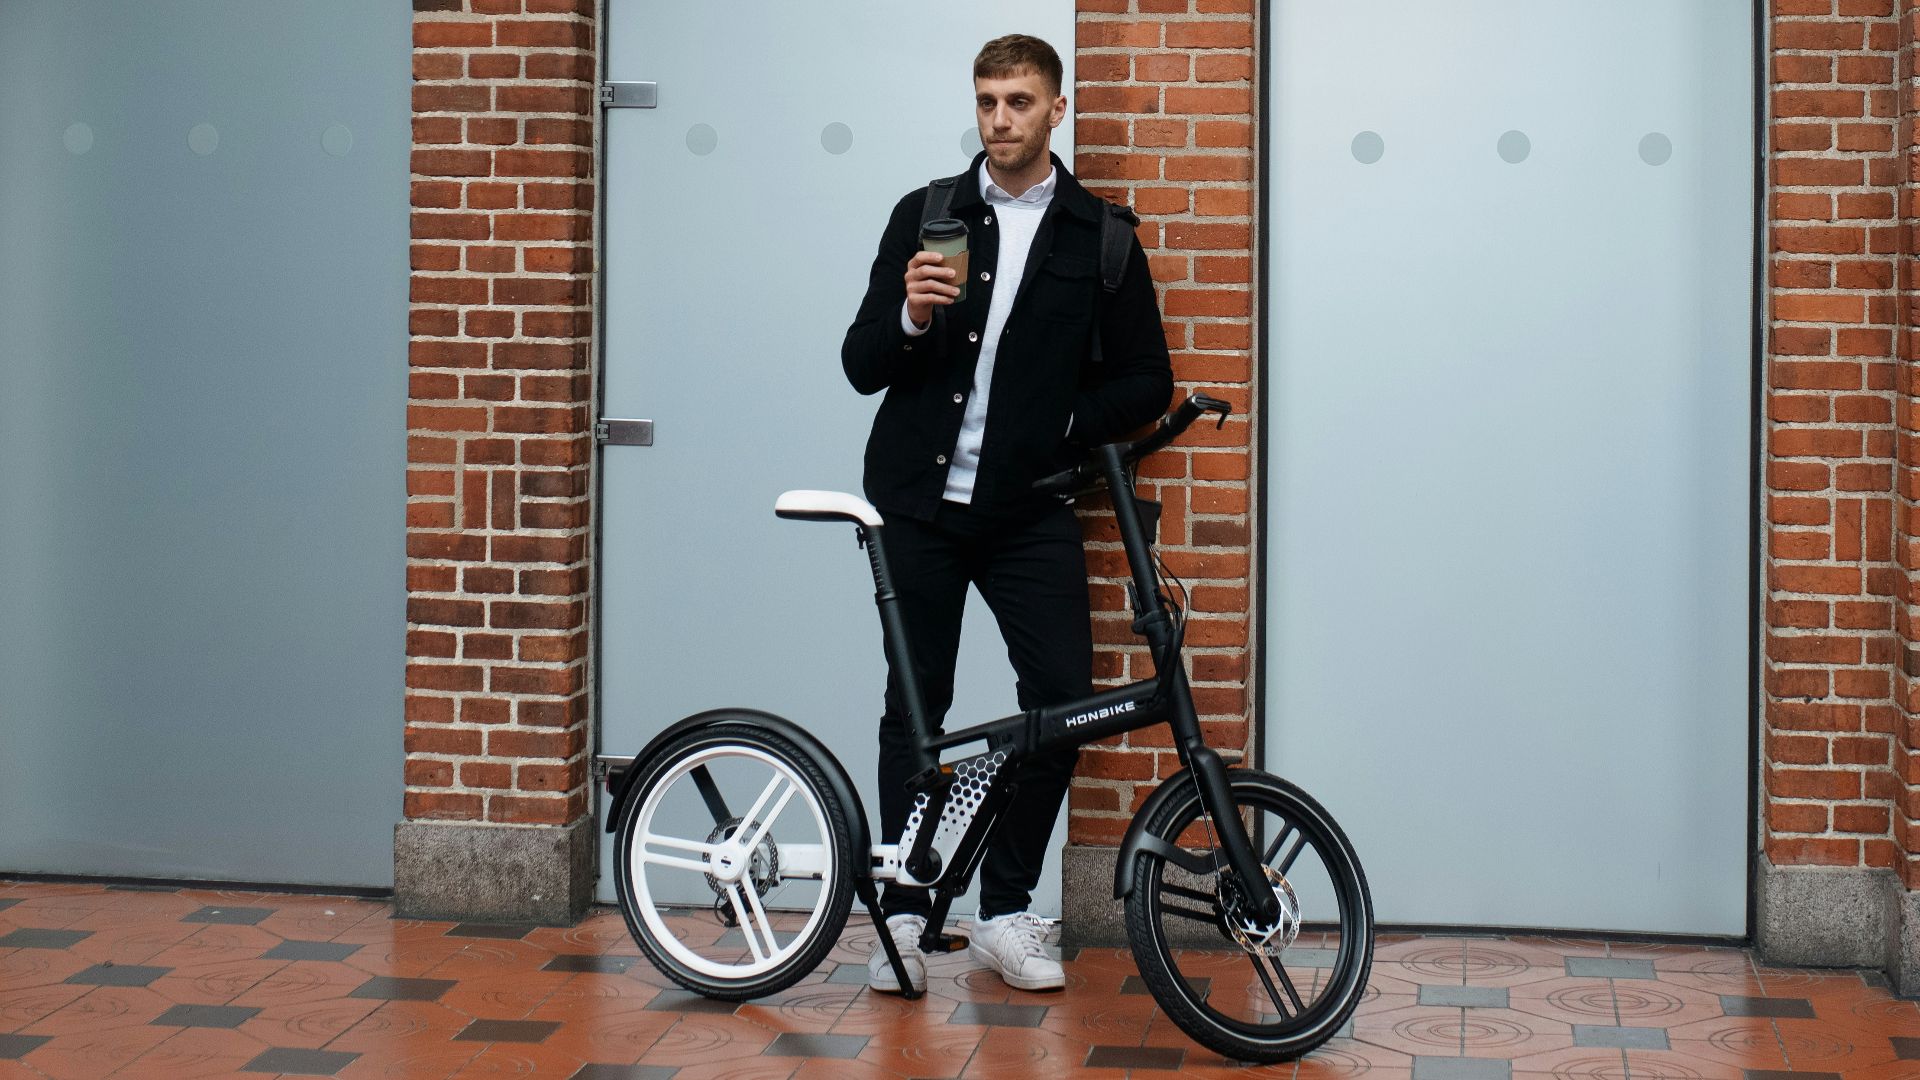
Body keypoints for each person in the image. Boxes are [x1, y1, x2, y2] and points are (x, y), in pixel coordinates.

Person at [840, 33, 1173, 994]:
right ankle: (903, 912)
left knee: (1062, 702)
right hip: (917, 503)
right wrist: (907, 316)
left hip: (1028, 509)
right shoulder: (927, 212)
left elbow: (1148, 378)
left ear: (1056, 110)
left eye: (1019, 101)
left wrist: (1062, 424)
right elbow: (862, 364)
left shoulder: (1099, 236)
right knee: (916, 708)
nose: (999, 120)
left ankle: (1005, 909)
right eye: (986, 100)